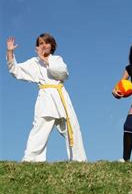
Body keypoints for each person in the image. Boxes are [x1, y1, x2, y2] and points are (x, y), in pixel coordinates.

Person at [6, 34, 87, 162]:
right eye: (41, 43)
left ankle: (79, 160)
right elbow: (16, 70)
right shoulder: (34, 62)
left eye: (46, 43)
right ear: (37, 47)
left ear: (52, 45)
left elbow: (63, 73)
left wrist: (44, 59)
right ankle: (31, 160)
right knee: (39, 129)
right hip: (45, 98)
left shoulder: (57, 59)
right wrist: (10, 52)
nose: (44, 45)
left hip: (61, 97)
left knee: (73, 128)